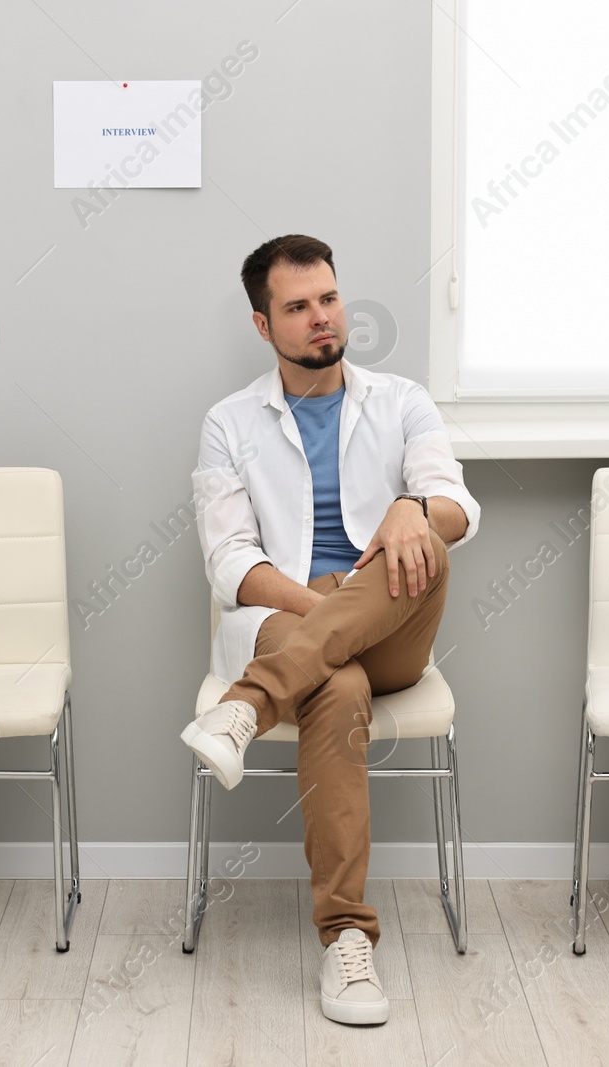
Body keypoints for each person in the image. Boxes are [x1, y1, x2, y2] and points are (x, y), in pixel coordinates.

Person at [182, 234, 479, 1026]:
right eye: (297, 307)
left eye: (329, 299)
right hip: (295, 621)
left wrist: (410, 511)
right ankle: (347, 939)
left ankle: (246, 706)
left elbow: (458, 506)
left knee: (426, 546)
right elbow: (230, 562)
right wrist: (337, 618)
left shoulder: (403, 399)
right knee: (334, 681)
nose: (321, 319)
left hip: (390, 619)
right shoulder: (228, 422)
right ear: (262, 324)